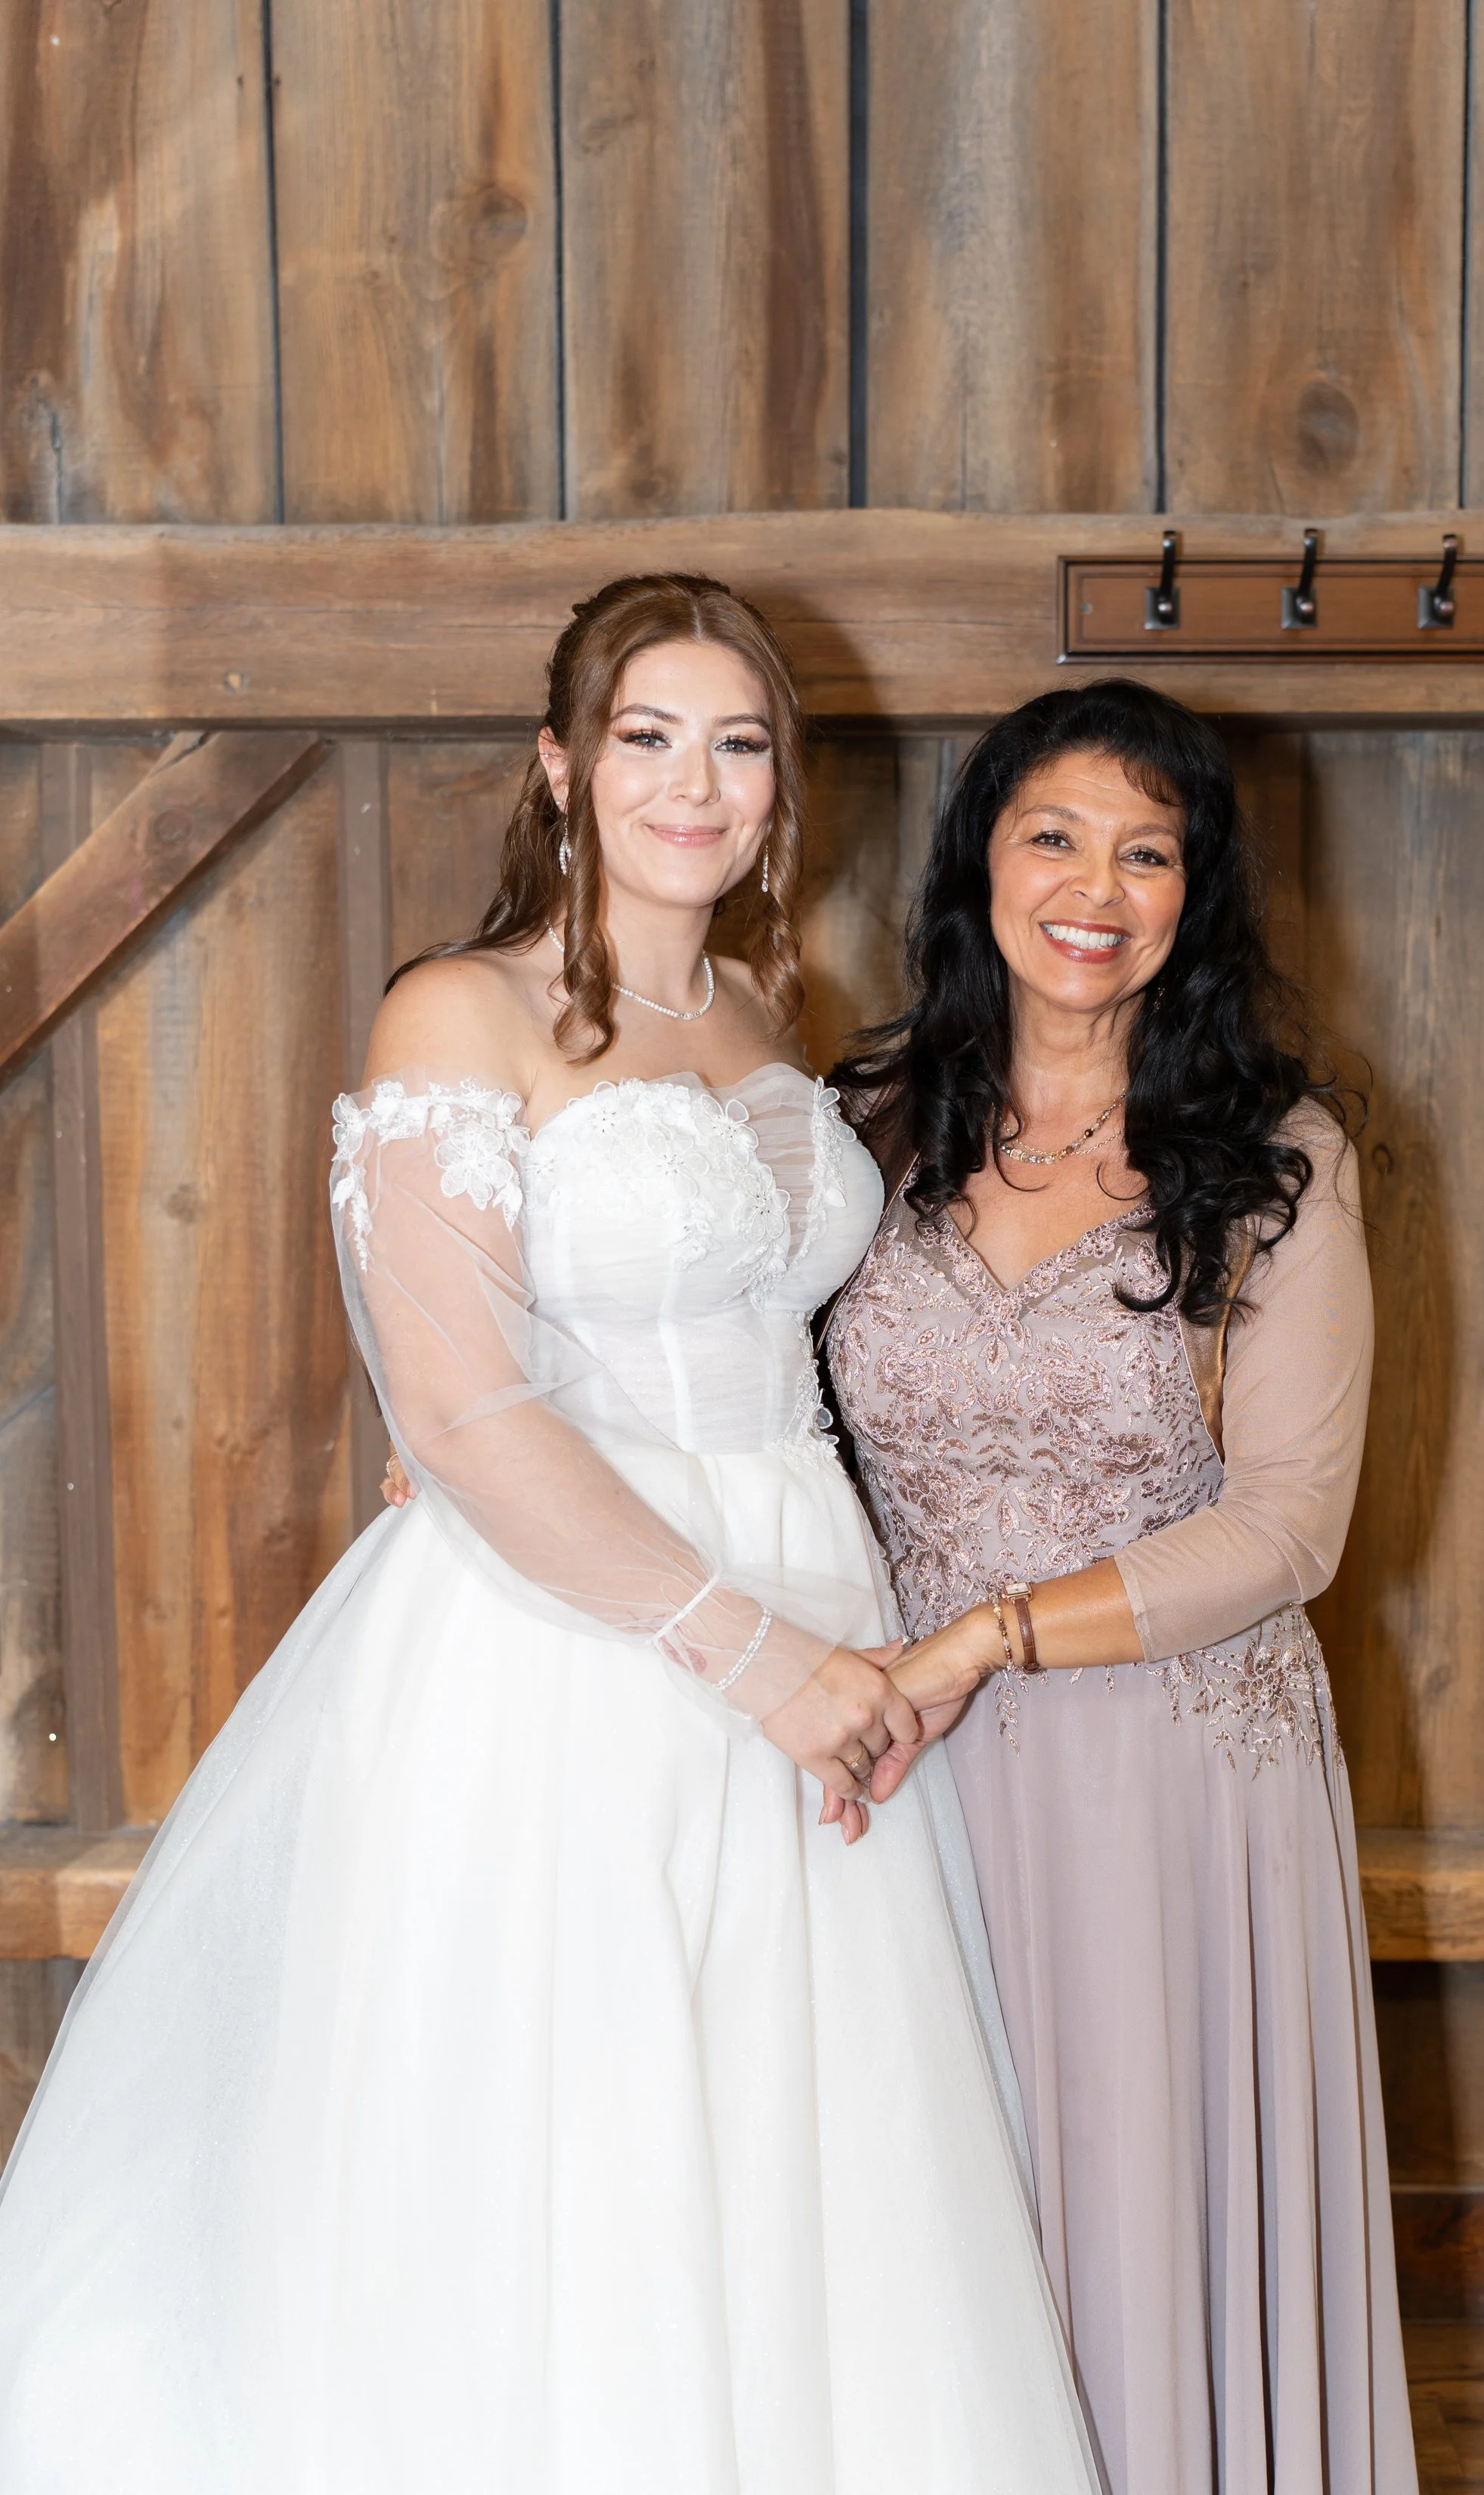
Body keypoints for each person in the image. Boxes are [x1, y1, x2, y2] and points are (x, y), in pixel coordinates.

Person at [0, 576, 1098, 2495]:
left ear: (778, 781)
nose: (697, 783)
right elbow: (459, 1409)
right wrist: (755, 1657)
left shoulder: (770, 1010)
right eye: (648, 737)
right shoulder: (461, 1006)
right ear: (561, 766)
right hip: (583, 1645)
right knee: (577, 2135)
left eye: (738, 743)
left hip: (815, 1589)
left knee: (799, 2136)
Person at [823, 680, 1418, 2494]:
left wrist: (988, 1638)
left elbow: (1287, 1529)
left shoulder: (1278, 1159)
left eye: (1147, 851)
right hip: (900, 1774)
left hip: (1170, 1783)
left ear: (1196, 894)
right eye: (1054, 836)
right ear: (977, 864)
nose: (1098, 886)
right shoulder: (855, 1125)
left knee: (1144, 2243)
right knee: (933, 2231)